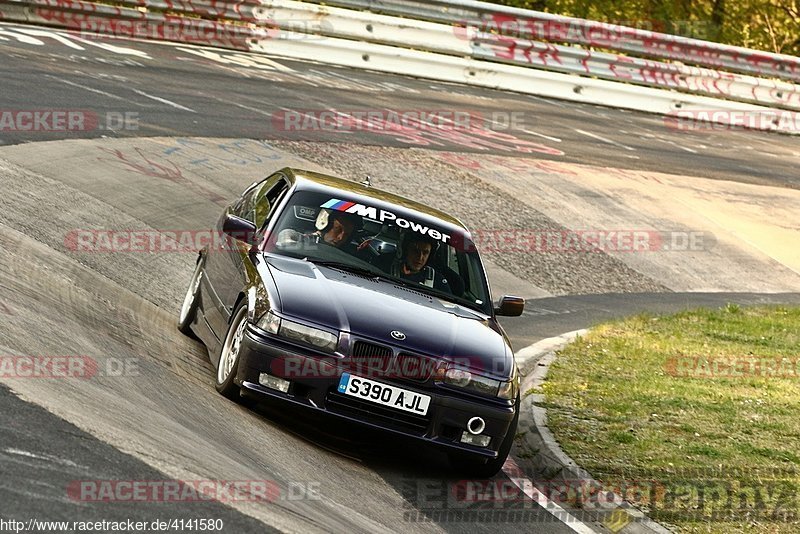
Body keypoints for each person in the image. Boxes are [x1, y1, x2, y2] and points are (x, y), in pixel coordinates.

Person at [275, 209, 362, 250]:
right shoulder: (303, 240)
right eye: (337, 230)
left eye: (346, 234)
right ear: (324, 224)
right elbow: (286, 235)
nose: (341, 238)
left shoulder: (350, 255)